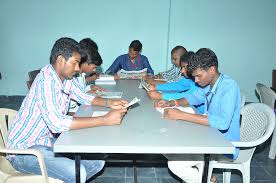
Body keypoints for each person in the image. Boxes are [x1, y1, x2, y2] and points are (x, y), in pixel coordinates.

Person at [6, 37, 128, 183]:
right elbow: (57, 123)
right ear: (60, 60)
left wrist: (110, 103)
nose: (78, 68)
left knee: (97, 162)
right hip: (24, 152)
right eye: (75, 63)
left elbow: (83, 96)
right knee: (77, 173)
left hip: (44, 141)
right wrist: (105, 120)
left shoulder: (65, 79)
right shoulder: (46, 81)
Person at [156, 48, 240, 183]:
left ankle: (209, 180)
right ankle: (204, 176)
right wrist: (172, 102)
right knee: (165, 142)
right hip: (207, 135)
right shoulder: (208, 84)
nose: (195, 80)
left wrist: (181, 115)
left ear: (212, 70)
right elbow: (192, 98)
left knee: (175, 164)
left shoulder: (229, 87)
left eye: (198, 76)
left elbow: (223, 123)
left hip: (223, 144)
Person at [69, 38, 105, 113]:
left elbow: (80, 89)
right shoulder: (71, 75)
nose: (94, 70)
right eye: (94, 67)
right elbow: (77, 97)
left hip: (80, 108)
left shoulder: (81, 74)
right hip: (74, 111)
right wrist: (108, 102)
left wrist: (90, 87)